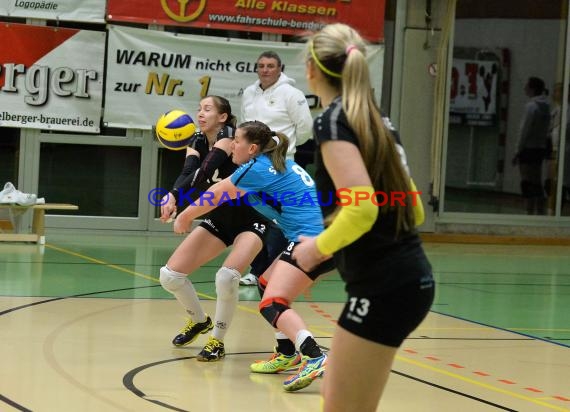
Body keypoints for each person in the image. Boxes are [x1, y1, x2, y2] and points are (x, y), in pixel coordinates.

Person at [291, 23, 435, 411]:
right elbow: (415, 208)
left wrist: (315, 251)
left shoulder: (334, 121)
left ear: (311, 70)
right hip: (407, 277)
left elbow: (362, 207)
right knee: (340, 399)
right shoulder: (376, 118)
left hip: (385, 287)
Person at [173, 120, 333, 392]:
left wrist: (185, 215)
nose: (232, 145)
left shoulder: (256, 169)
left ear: (253, 148)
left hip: (311, 244)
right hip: (319, 239)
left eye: (237, 140)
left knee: (273, 304)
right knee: (265, 282)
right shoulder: (275, 162)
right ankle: (286, 352)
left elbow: (216, 194)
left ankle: (314, 356)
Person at [159, 96, 270, 362]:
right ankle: (199, 321)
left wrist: (182, 208)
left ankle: (217, 342)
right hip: (221, 218)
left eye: (207, 109)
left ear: (223, 117)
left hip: (252, 218)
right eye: (198, 108)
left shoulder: (229, 137)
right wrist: (173, 194)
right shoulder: (197, 139)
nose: (200, 113)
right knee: (170, 276)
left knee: (227, 277)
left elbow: (202, 174)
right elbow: (188, 172)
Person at [239, 50, 314, 287]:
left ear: (280, 68)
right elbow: (244, 125)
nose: (265, 69)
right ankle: (256, 269)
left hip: (281, 165)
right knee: (254, 216)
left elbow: (305, 129)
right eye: (261, 65)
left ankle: (272, 270)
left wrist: (283, 149)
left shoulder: (291, 94)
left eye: (270, 65)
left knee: (278, 221)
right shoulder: (250, 93)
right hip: (253, 164)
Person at [513, 76, 551, 215]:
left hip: (528, 148)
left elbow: (525, 130)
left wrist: (517, 150)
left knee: (527, 182)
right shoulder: (546, 106)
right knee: (536, 181)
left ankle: (529, 211)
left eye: (527, 86)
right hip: (539, 148)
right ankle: (540, 211)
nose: (524, 88)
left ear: (532, 88)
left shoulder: (531, 106)